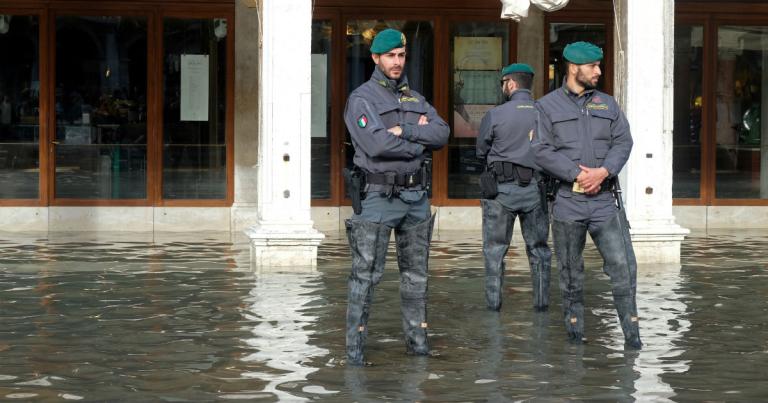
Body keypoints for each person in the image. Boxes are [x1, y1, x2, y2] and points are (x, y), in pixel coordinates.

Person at [342, 28, 450, 365]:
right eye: (390, 56)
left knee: (417, 277)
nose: (397, 62)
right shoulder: (361, 99)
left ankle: (418, 348)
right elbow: (375, 144)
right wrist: (419, 142)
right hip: (377, 196)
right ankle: (355, 353)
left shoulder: (415, 99)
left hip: (416, 197)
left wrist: (406, 130)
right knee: (365, 276)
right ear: (376, 58)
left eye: (401, 56)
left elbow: (442, 132)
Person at [532, 41, 642, 349]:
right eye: (593, 65)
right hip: (568, 201)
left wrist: (603, 171)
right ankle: (575, 341)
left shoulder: (607, 104)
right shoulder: (546, 106)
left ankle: (633, 340)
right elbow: (540, 149)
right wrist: (578, 174)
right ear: (573, 68)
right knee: (570, 274)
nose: (598, 71)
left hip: (606, 202)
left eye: (599, 65)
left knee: (623, 268)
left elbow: (624, 141)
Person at [476, 63, 552, 312]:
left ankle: (493, 307)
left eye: (503, 84)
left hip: (500, 192)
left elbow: (481, 151)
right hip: (536, 190)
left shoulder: (496, 115)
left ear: (510, 84)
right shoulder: (545, 113)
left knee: (495, 251)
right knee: (539, 251)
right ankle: (541, 307)